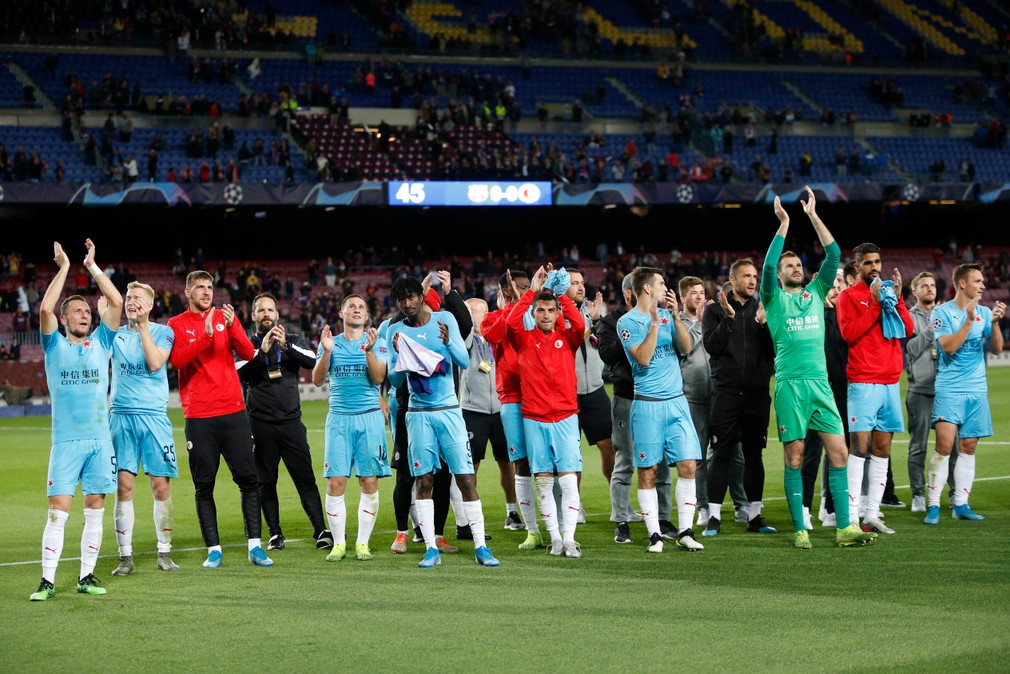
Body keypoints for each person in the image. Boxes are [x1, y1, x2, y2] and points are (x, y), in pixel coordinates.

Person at [763, 189, 875, 549]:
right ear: (781, 274)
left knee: (839, 452)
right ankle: (800, 528)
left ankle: (845, 527)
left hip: (821, 385)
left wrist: (812, 215)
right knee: (794, 455)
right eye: (790, 266)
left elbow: (834, 254)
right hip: (790, 386)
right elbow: (766, 267)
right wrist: (784, 224)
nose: (796, 268)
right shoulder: (773, 298)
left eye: (798, 265)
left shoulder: (816, 291)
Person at [385, 276, 499, 568]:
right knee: (423, 480)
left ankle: (481, 546)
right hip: (418, 414)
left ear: (421, 297)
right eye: (401, 300)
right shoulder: (394, 330)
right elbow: (395, 379)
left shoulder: (444, 318)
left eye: (411, 297)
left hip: (449, 410)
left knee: (464, 478)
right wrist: (398, 353)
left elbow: (463, 362)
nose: (407, 304)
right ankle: (430, 548)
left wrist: (450, 343)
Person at [31, 239, 123, 601]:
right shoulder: (53, 345)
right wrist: (65, 268)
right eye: (78, 311)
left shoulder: (102, 341)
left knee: (96, 510)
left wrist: (93, 267)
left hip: (100, 441)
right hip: (66, 443)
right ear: (65, 319)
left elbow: (115, 303)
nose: (86, 314)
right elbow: (44, 309)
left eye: (88, 310)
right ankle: (47, 581)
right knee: (58, 513)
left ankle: (86, 576)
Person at [168, 270, 272, 568]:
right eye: (199, 287)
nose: (206, 291)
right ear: (188, 292)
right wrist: (207, 335)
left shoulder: (225, 317)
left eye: (210, 287)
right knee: (204, 486)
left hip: (233, 411)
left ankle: (255, 545)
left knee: (249, 481)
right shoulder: (176, 324)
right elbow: (177, 360)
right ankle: (214, 549)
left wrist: (233, 325)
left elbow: (248, 351)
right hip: (199, 416)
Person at [618, 267, 704, 553]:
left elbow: (688, 346)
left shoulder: (668, 316)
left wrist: (676, 317)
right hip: (647, 406)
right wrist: (654, 324)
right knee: (648, 471)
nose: (665, 287)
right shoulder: (627, 322)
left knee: (689, 465)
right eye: (661, 283)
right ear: (647, 289)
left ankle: (686, 531)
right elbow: (642, 359)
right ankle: (654, 534)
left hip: (677, 403)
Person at [237, 292, 331, 552]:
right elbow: (237, 373)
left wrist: (286, 347)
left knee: (305, 478)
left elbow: (312, 360)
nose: (266, 314)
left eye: (270, 310)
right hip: (260, 424)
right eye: (261, 310)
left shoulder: (292, 339)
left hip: (291, 422)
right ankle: (275, 533)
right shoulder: (245, 344)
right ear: (253, 315)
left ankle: (320, 529)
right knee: (266, 482)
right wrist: (261, 353)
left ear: (278, 315)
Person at [506, 266, 585, 558]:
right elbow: (512, 323)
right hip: (535, 418)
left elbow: (578, 323)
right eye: (541, 311)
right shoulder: (524, 339)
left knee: (567, 479)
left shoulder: (569, 337)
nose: (547, 315)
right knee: (543, 480)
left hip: (565, 416)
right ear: (534, 314)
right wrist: (530, 293)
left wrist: (561, 296)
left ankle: (569, 538)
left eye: (551, 310)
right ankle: (554, 538)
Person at [836, 242, 914, 534]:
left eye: (878, 261)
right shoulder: (848, 296)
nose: (875, 267)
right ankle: (852, 517)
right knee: (859, 449)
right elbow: (849, 333)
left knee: (882, 449)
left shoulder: (890, 293)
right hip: (863, 382)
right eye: (869, 263)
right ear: (857, 267)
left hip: (890, 383)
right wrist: (877, 304)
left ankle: (872, 514)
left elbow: (907, 329)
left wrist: (899, 298)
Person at [923, 264, 1005, 524]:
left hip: (977, 389)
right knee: (944, 446)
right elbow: (947, 347)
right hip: (950, 389)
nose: (983, 285)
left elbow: (996, 348)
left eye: (983, 281)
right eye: (978, 281)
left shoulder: (983, 312)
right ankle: (934, 505)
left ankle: (960, 503)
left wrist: (994, 323)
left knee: (968, 447)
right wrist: (969, 320)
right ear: (962, 284)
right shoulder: (942, 312)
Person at [312, 295, 392, 560]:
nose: (357, 310)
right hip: (339, 420)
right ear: (341, 313)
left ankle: (362, 543)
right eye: (352, 307)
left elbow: (378, 378)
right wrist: (326, 351)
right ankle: (338, 543)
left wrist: (368, 351)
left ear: (367, 316)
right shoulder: (330, 343)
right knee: (336, 482)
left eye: (361, 307)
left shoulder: (376, 343)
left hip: (369, 418)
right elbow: (317, 380)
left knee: (368, 480)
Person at [108, 281, 180, 577]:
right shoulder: (114, 335)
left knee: (160, 487)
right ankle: (125, 557)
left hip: (153, 417)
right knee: (123, 488)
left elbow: (154, 363)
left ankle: (164, 552)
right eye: (128, 297)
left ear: (150, 305)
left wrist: (143, 327)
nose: (131, 301)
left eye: (138, 298)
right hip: (121, 417)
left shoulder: (164, 332)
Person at [702, 258, 776, 536]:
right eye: (746, 276)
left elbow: (775, 351)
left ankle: (755, 516)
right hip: (726, 393)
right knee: (721, 453)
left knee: (754, 455)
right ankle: (714, 517)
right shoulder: (715, 310)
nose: (753, 280)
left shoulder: (765, 308)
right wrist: (729, 320)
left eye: (754, 276)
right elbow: (712, 347)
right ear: (733, 280)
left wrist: (765, 324)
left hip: (757, 393)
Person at [598, 273, 673, 544]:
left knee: (661, 461)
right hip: (627, 398)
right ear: (631, 292)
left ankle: (664, 519)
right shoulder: (610, 322)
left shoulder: (661, 316)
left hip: (657, 399)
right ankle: (621, 520)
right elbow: (607, 355)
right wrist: (629, 330)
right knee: (626, 459)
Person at [481, 269, 544, 550]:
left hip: (543, 396)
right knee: (522, 463)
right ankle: (532, 530)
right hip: (512, 398)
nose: (526, 291)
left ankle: (556, 527)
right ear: (506, 291)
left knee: (547, 464)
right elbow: (496, 335)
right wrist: (520, 304)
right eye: (520, 288)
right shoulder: (492, 318)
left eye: (529, 287)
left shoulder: (541, 315)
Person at [678, 275, 747, 530]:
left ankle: (742, 504)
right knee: (698, 458)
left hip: (721, 395)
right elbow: (684, 350)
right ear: (683, 296)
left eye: (701, 292)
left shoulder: (714, 317)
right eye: (693, 293)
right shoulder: (679, 323)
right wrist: (697, 323)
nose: (698, 296)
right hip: (693, 398)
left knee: (735, 454)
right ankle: (703, 507)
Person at [460, 297, 522, 531]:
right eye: (472, 312)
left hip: (501, 407)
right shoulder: (463, 339)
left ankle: (512, 512)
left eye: (482, 311)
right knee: (471, 465)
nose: (478, 316)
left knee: (507, 462)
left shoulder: (498, 337)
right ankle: (470, 518)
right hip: (472, 409)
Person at [565, 270, 615, 513]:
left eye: (581, 282)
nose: (580, 287)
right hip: (567, 393)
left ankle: (618, 501)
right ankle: (576, 505)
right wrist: (590, 323)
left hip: (595, 389)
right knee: (571, 453)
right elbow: (569, 340)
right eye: (574, 283)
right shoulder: (555, 311)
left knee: (609, 444)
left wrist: (596, 321)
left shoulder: (594, 310)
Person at [904, 272, 941, 514]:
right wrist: (929, 330)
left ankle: (956, 493)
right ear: (915, 292)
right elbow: (910, 349)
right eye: (924, 286)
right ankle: (918, 494)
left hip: (946, 391)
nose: (929, 289)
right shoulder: (907, 317)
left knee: (952, 446)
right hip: (920, 390)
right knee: (919, 445)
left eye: (932, 285)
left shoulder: (947, 314)